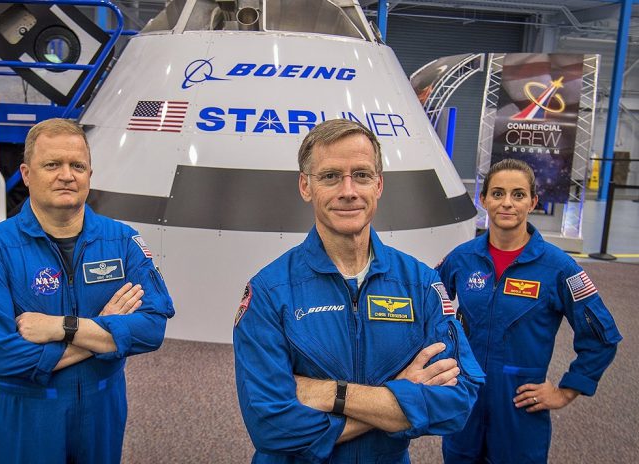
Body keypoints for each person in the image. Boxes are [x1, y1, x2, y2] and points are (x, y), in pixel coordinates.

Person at [233, 119, 485, 463]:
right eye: (331, 176)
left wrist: (331, 393)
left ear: (378, 185)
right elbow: (270, 427)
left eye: (362, 175)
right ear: (306, 186)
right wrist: (401, 398)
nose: (348, 190)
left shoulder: (421, 284)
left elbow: (458, 402)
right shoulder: (269, 292)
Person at [0, 118, 175, 464]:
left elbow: (152, 329)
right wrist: (104, 329)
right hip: (29, 411)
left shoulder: (122, 241)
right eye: (52, 165)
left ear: (90, 175)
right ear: (27, 174)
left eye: (78, 166)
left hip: (103, 407)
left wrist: (64, 326)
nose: (67, 175)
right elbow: (2, 358)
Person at [437, 158, 622, 463]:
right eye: (497, 194)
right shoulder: (461, 259)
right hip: (465, 404)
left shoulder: (559, 268)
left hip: (520, 409)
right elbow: (429, 313)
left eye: (518, 195)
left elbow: (602, 337)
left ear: (533, 202)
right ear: (482, 199)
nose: (507, 203)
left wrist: (566, 391)